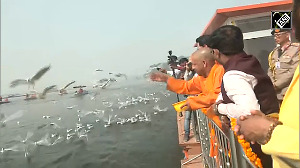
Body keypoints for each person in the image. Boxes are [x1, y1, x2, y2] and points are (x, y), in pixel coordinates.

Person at [235, 1, 300, 167]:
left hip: (288, 94)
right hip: (280, 100)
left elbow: (290, 73)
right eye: (274, 33)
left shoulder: (297, 50)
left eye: (279, 33)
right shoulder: (273, 54)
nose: (276, 36)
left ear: (288, 33)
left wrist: (274, 85)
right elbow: (272, 71)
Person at [208, 25, 279, 167]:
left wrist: (220, 108)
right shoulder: (248, 61)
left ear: (216, 52)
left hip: (261, 141)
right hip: (273, 128)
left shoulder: (233, 74)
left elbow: (247, 111)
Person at [150, 47, 224, 141]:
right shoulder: (202, 77)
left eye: (194, 64)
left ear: (204, 63)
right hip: (217, 128)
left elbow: (217, 97)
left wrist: (192, 103)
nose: (192, 68)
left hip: (226, 128)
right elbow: (187, 86)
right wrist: (167, 79)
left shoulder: (219, 71)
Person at [268, 29, 299, 104]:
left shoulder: (296, 50)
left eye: (278, 35)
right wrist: (271, 83)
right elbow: (270, 69)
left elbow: (293, 71)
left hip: (290, 91)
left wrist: (277, 85)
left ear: (287, 35)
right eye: (274, 36)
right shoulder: (274, 52)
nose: (275, 38)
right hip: (277, 94)